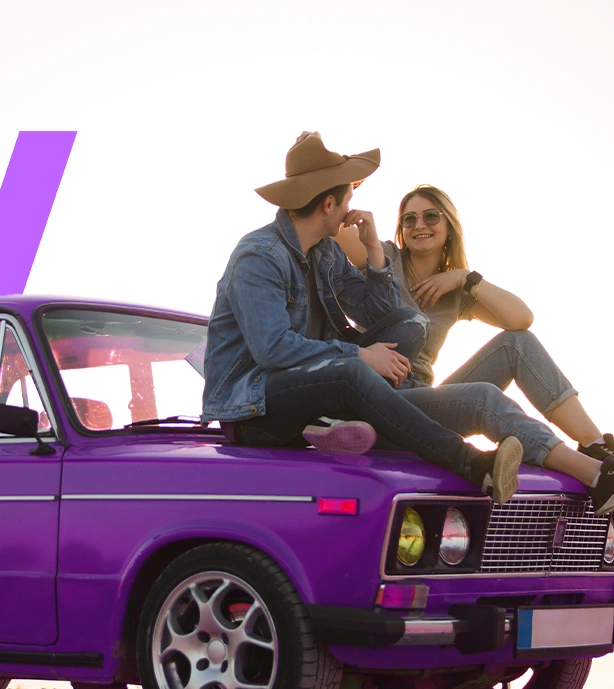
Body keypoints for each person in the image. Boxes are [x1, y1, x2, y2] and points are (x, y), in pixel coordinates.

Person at [203, 132, 526, 502]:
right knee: (352, 371)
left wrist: (374, 249)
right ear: (329, 204)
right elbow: (271, 348)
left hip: (320, 386)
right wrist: (358, 355)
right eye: (348, 200)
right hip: (254, 409)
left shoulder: (326, 251)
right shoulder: (259, 255)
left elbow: (381, 315)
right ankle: (473, 464)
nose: (350, 209)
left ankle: (347, 422)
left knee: (412, 323)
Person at [334, 184, 614, 514]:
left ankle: (600, 451)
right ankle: (595, 476)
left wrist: (465, 278)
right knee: (483, 397)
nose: (419, 225)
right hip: (381, 395)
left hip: (425, 399)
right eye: (409, 219)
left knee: (517, 343)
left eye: (431, 216)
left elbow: (522, 319)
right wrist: (338, 176)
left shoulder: (456, 292)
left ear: (449, 225)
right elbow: (331, 220)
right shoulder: (383, 256)